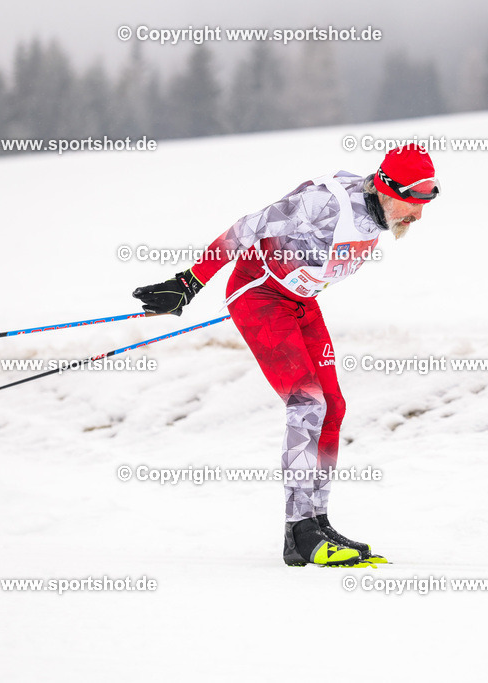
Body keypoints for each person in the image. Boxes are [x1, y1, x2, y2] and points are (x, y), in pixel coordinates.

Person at [132, 144, 439, 567]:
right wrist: (188, 282)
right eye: (414, 203)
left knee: (332, 406)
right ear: (387, 188)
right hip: (259, 296)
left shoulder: (378, 213)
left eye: (426, 203)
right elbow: (246, 228)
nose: (418, 215)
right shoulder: (326, 204)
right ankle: (300, 533)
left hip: (300, 302)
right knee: (307, 402)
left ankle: (317, 522)